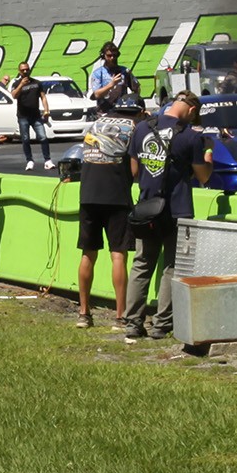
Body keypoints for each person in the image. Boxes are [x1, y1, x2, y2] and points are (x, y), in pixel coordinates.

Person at [125, 91, 211, 346]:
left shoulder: (142, 128)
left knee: (142, 264)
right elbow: (204, 176)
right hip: (177, 209)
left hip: (147, 207)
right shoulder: (190, 136)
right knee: (172, 267)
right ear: (192, 110)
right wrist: (208, 152)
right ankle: (161, 325)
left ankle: (132, 323)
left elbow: (133, 170)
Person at [74, 97, 140, 328]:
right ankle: (120, 316)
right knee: (118, 254)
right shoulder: (135, 128)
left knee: (88, 253)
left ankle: (84, 313)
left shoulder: (96, 123)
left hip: (89, 194)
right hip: (116, 196)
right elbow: (133, 169)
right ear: (138, 111)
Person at [11, 62, 52, 169]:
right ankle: (29, 160)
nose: (25, 71)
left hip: (36, 115)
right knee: (25, 139)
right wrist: (21, 85)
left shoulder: (37, 83)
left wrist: (46, 110)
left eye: (27, 69)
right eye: (23, 70)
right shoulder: (16, 83)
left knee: (42, 137)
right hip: (23, 116)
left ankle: (47, 160)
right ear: (19, 71)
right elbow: (14, 96)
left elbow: (43, 97)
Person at [88, 42, 137, 108]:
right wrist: (111, 84)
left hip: (122, 110)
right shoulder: (98, 73)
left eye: (114, 55)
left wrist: (134, 102)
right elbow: (96, 95)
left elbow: (136, 88)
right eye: (109, 55)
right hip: (104, 112)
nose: (112, 58)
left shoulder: (125, 71)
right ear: (103, 56)